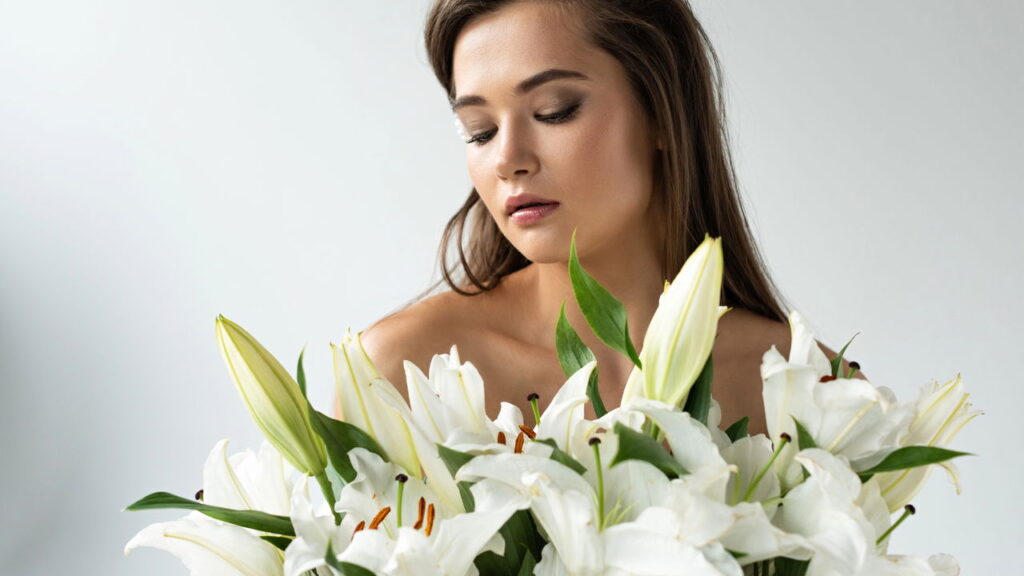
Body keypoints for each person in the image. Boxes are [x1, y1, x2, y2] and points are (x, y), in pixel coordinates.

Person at [352, 0, 858, 436]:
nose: (508, 159)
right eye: (479, 131)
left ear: (661, 110)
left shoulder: (817, 390)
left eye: (555, 110)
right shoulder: (401, 372)